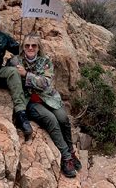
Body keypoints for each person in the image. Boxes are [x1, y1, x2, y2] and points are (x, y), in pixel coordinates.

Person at [14, 33, 82, 178]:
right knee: (51, 119)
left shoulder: (45, 61)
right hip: (30, 102)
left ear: (38, 48)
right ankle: (66, 158)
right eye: (27, 45)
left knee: (63, 118)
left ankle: (71, 150)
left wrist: (26, 75)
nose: (30, 48)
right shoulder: (17, 61)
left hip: (49, 98)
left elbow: (45, 82)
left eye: (34, 45)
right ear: (23, 47)